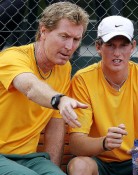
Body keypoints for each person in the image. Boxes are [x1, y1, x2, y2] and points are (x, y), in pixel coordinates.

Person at [68, 15, 138, 175]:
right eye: (110, 45)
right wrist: (104, 142)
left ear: (132, 47)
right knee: (78, 165)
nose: (117, 53)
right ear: (98, 46)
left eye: (123, 45)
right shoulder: (83, 79)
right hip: (101, 163)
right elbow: (76, 145)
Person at [0, 2, 89, 175]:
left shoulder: (64, 68)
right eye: (64, 36)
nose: (70, 47)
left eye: (76, 39)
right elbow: (30, 87)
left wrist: (53, 169)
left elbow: (55, 124)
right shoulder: (12, 57)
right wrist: (59, 99)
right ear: (44, 31)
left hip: (30, 158)